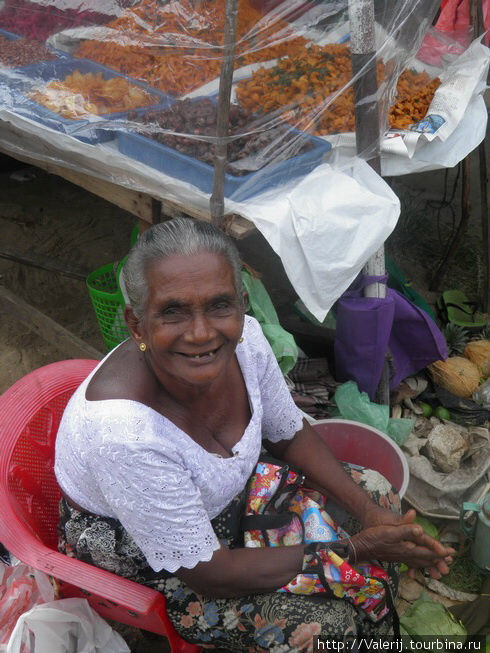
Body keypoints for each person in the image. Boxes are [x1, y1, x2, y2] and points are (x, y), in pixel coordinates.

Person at [55, 217, 453, 652]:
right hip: (156, 552)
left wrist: (369, 517)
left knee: (376, 494)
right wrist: (353, 549)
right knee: (327, 627)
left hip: (228, 499)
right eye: (173, 311)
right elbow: (210, 571)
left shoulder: (248, 344)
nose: (202, 333)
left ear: (242, 304)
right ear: (136, 324)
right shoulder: (125, 436)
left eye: (219, 306)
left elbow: (289, 434)